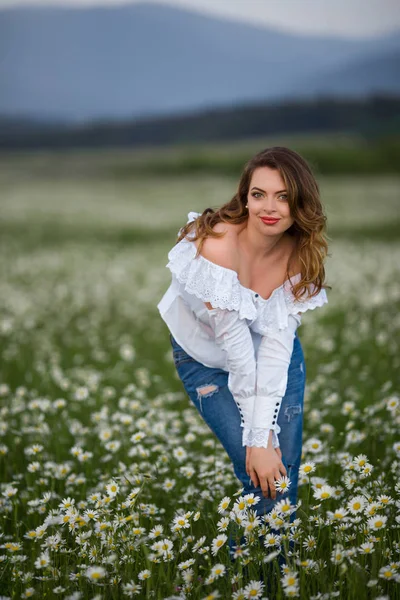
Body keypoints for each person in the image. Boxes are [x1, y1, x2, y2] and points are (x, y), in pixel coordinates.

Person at [157, 146, 330, 562]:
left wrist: (265, 439)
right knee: (260, 472)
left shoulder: (298, 258)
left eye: (284, 196)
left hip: (274, 359)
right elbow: (237, 354)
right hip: (206, 361)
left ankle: (273, 577)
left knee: (280, 480)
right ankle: (250, 574)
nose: (269, 208)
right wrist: (258, 440)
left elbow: (272, 353)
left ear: (300, 203)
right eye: (259, 194)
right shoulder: (216, 246)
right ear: (245, 196)